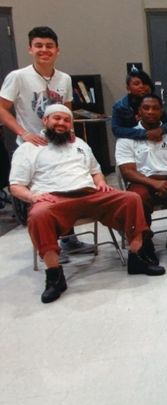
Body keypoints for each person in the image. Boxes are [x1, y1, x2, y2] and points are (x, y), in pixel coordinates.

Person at [9, 105, 165, 303]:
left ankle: (137, 258)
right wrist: (32, 197)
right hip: (54, 198)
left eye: (66, 120)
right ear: (45, 121)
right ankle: (55, 276)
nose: (61, 123)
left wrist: (101, 183)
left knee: (131, 199)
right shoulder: (29, 148)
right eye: (56, 118)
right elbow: (16, 186)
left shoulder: (80, 144)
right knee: (38, 215)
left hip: (89, 193)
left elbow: (95, 171)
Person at [0, 26, 93, 258]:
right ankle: (50, 245)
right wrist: (23, 133)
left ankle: (69, 240)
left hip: (59, 143)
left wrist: (71, 132)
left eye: (49, 46)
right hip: (34, 146)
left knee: (67, 188)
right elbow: (2, 108)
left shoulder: (64, 78)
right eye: (39, 45)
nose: (44, 50)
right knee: (44, 197)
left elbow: (67, 110)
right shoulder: (18, 77)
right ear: (30, 49)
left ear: (57, 50)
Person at [115, 95, 167, 265]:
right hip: (142, 181)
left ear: (162, 111)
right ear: (139, 112)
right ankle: (145, 245)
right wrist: (154, 183)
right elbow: (127, 172)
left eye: (155, 108)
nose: (150, 112)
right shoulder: (126, 138)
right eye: (146, 108)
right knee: (136, 199)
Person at [111, 69, 167, 141]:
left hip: (158, 140)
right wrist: (145, 134)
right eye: (136, 84)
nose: (142, 86)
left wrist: (160, 130)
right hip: (131, 141)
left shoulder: (154, 102)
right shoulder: (120, 106)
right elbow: (116, 129)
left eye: (145, 83)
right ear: (128, 88)